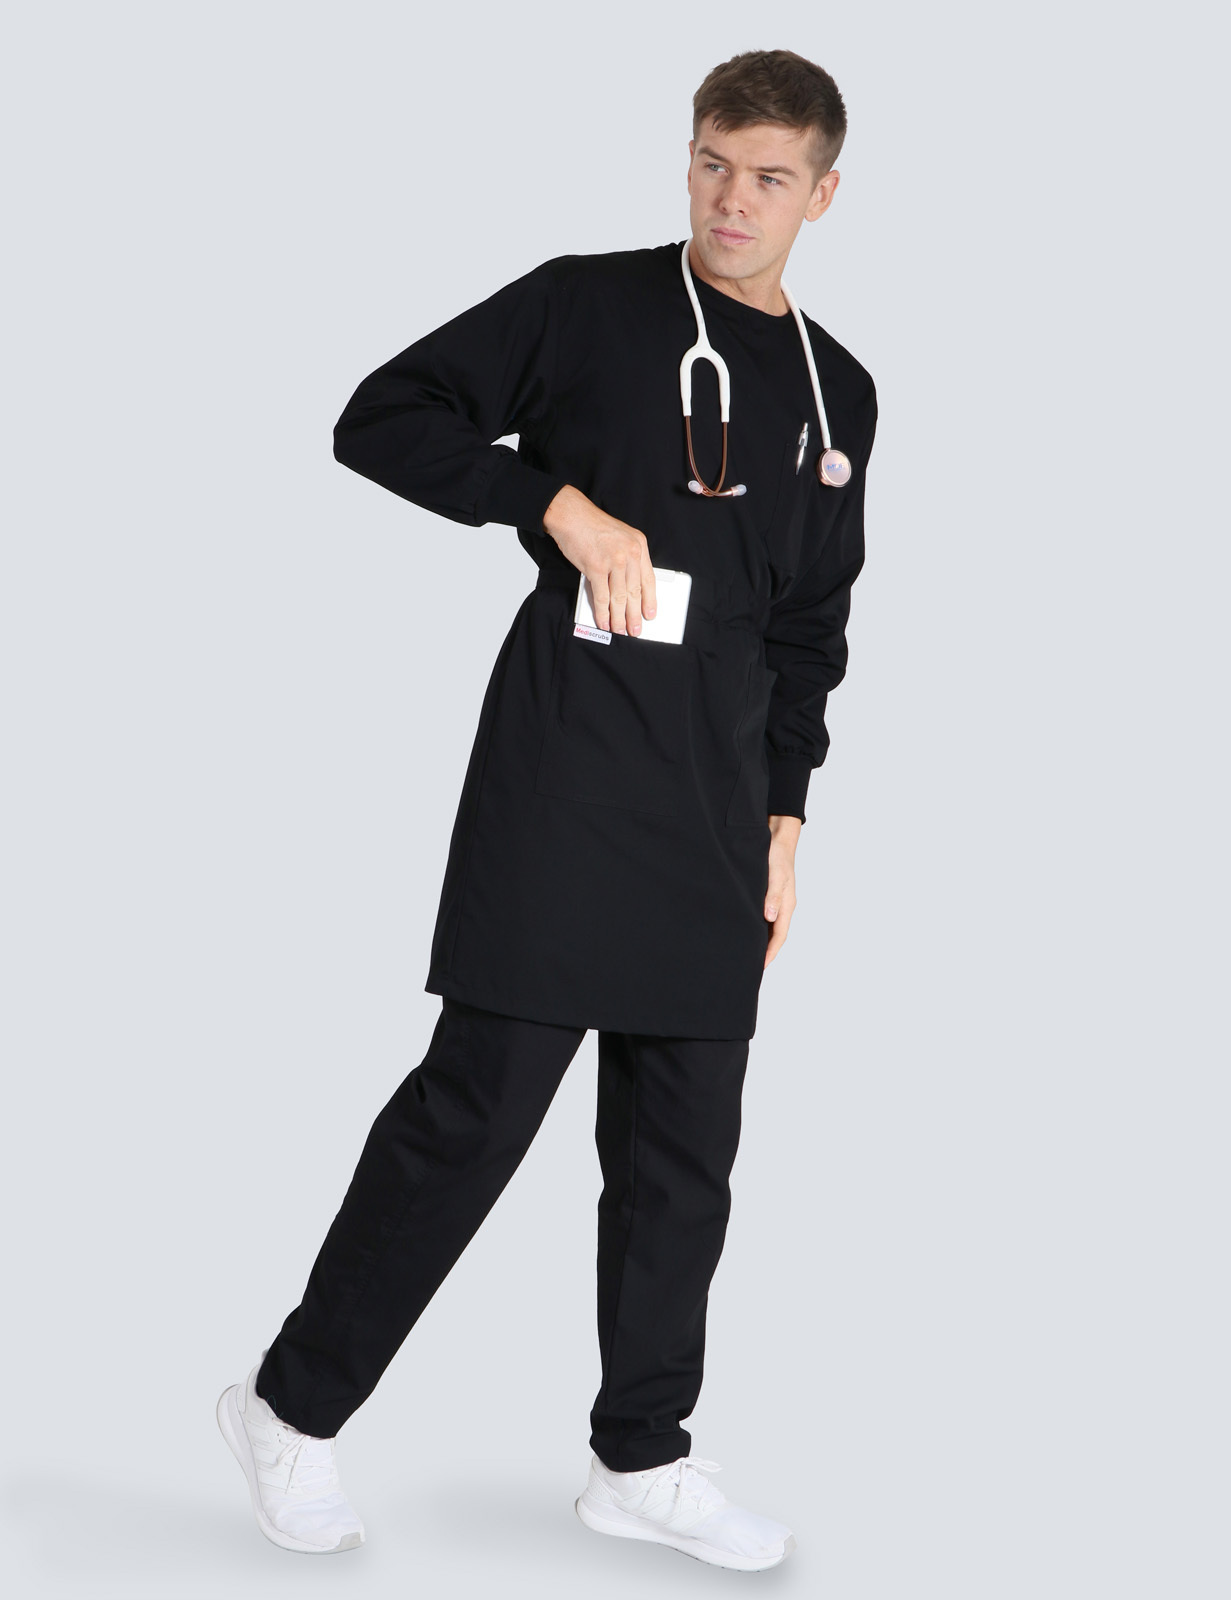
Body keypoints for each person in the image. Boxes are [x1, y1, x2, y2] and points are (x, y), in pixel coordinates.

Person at [216, 47, 877, 1574]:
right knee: (470, 1121)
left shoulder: (837, 390)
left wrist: (787, 817)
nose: (732, 199)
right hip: (565, 777)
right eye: (712, 164)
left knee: (681, 1159)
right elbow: (383, 415)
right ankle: (289, 1408)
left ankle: (641, 1456)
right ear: (689, 158)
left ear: (824, 195)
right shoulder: (588, 307)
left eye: (769, 178)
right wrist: (550, 502)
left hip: (717, 814)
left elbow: (812, 626)